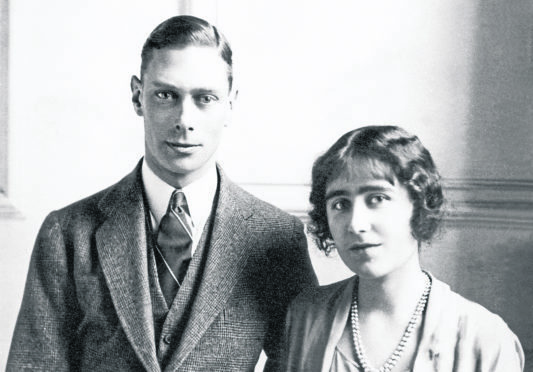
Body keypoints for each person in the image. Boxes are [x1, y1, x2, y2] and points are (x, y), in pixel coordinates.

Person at [7, 15, 317, 371]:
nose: (185, 119)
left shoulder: (275, 238)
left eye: (205, 98)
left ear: (230, 103)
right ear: (138, 97)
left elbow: (302, 362)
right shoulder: (68, 233)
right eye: (166, 95)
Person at [281, 125, 524, 371]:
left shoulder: (485, 339)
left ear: (419, 206)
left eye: (377, 199)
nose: (356, 224)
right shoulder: (303, 320)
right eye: (340, 204)